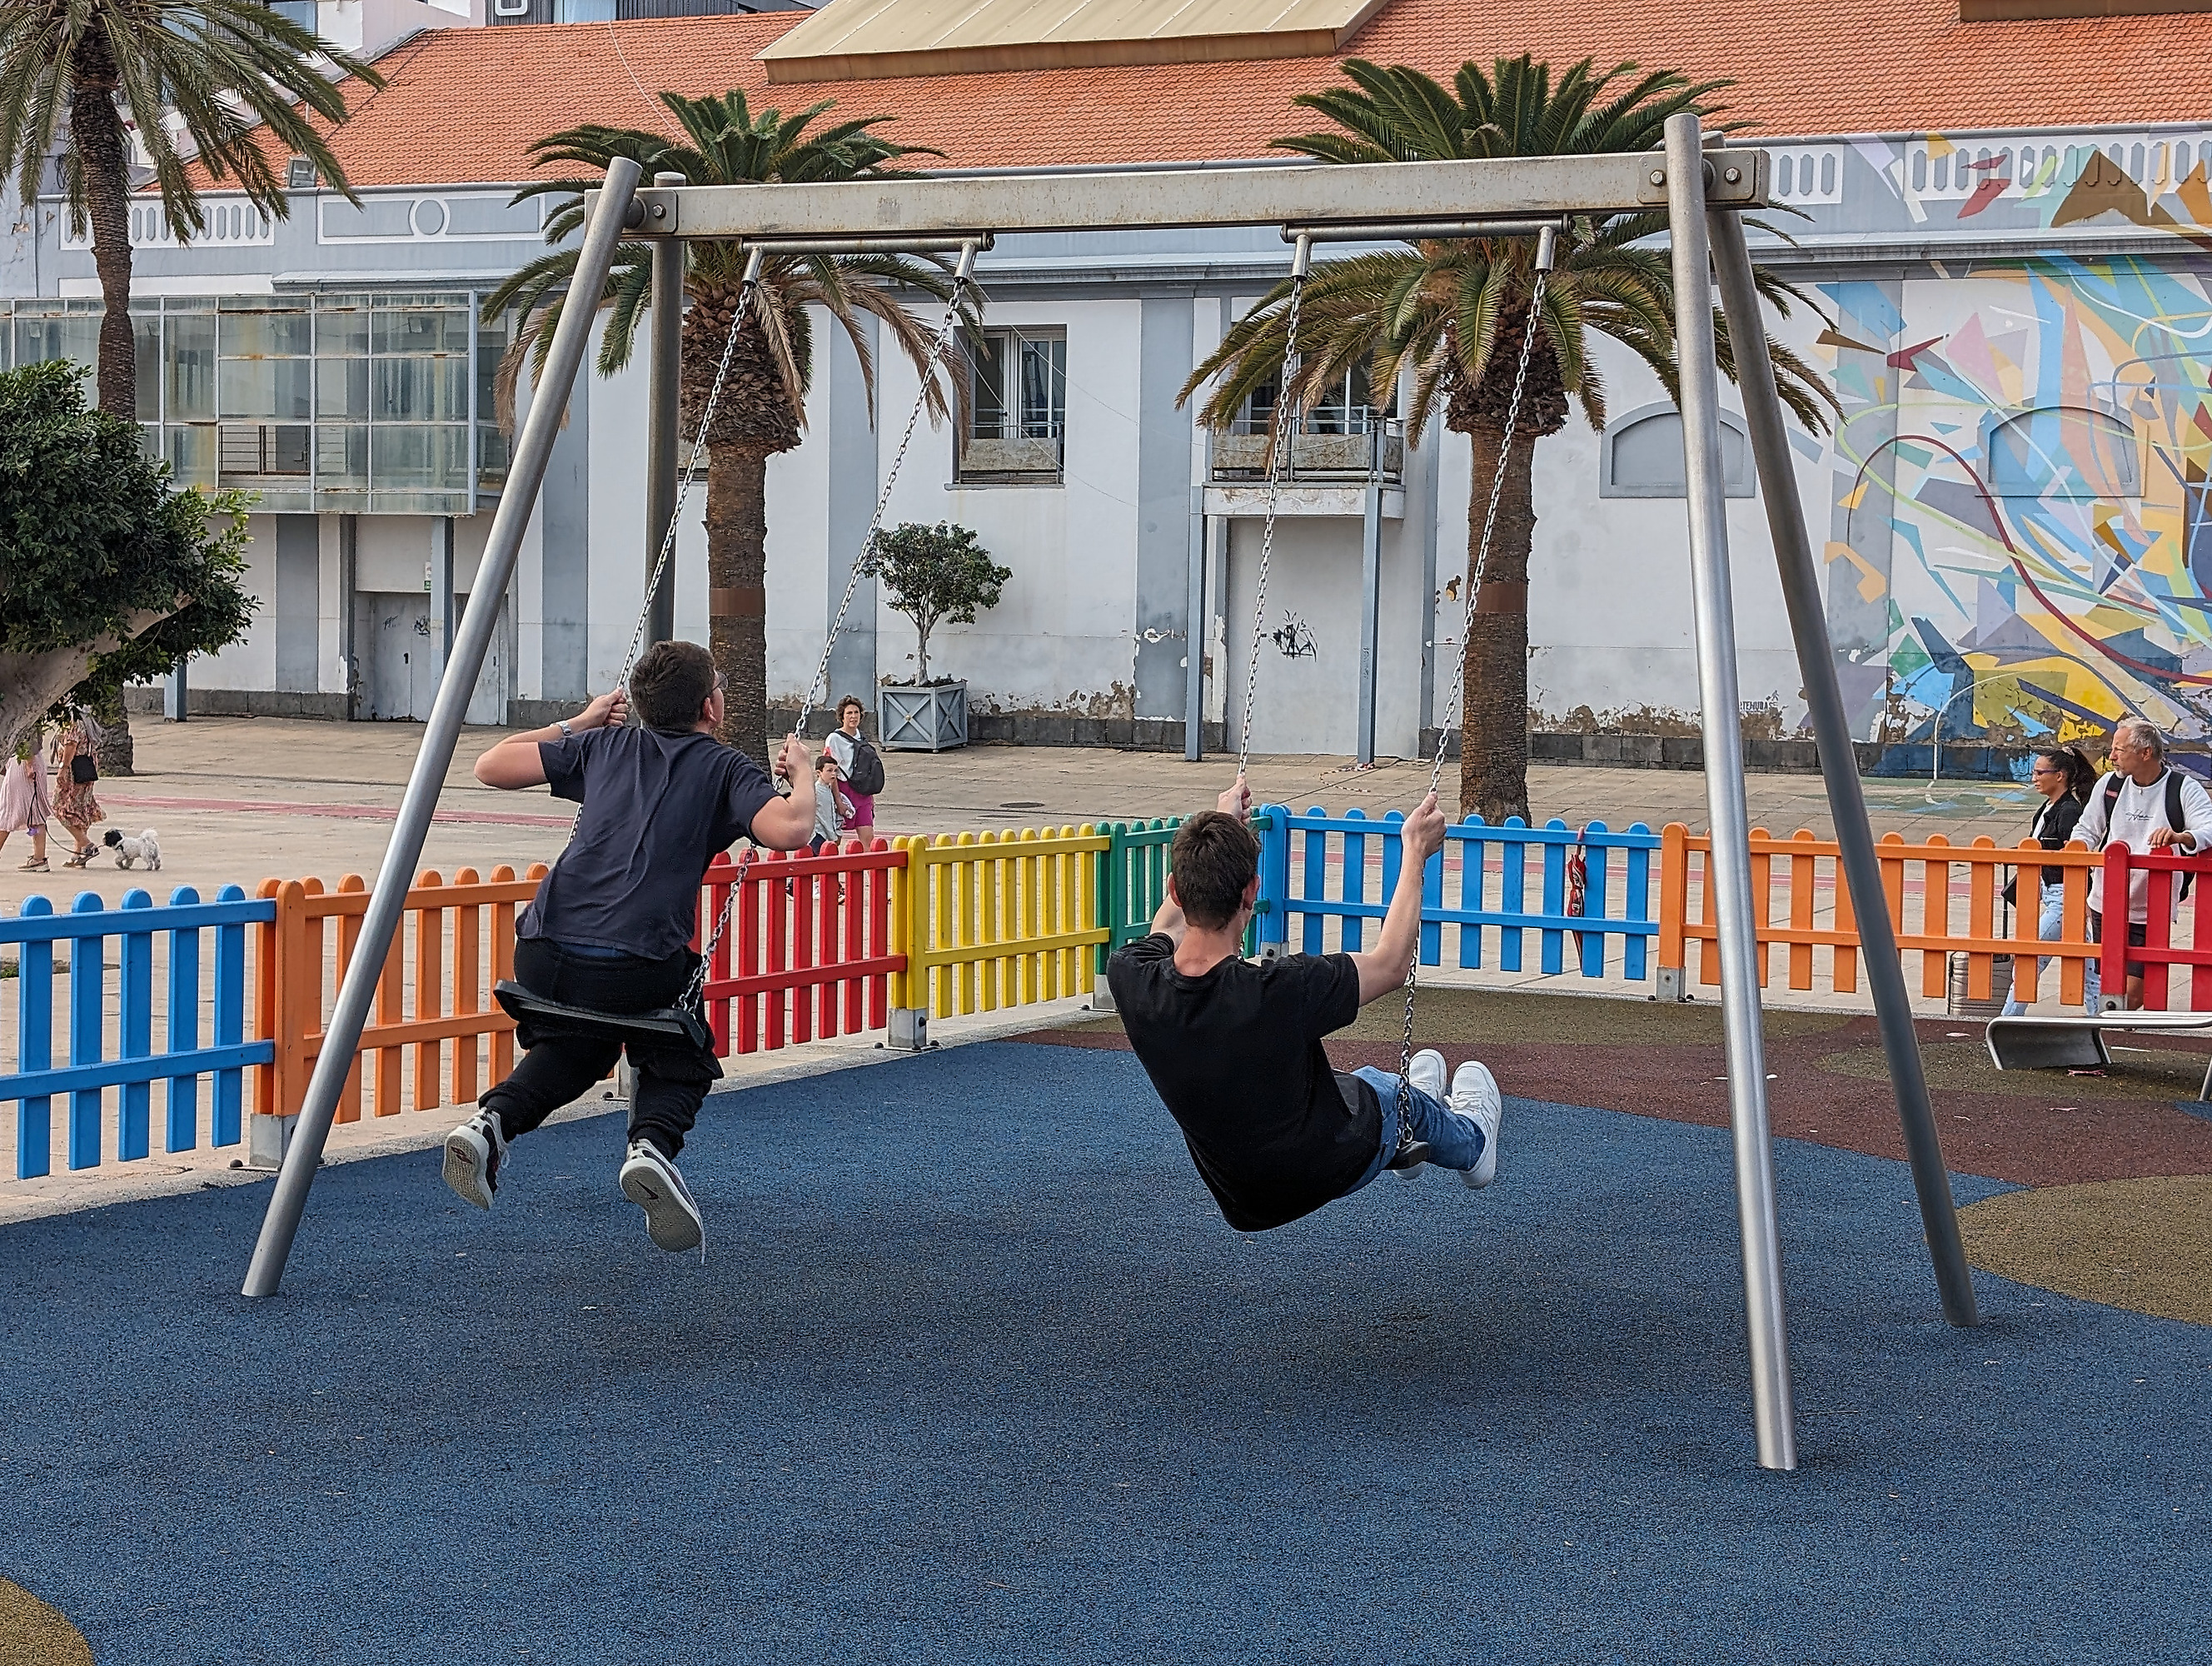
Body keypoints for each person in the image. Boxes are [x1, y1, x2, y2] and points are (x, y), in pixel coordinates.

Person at [443, 641, 816, 1252]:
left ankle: (490, 1125)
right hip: (637, 963)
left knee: (580, 1046)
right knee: (681, 1050)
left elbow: (491, 765)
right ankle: (651, 1148)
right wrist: (801, 776)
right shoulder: (724, 768)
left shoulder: (604, 747)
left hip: (542, 951)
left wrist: (580, 722)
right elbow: (792, 829)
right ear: (710, 707)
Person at [1105, 778, 1504, 1233]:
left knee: (1346, 1083)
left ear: (1175, 890)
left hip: (1244, 1199)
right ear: (1252, 892)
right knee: (1387, 1093)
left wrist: (1220, 824)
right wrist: (1415, 852)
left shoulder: (1131, 975)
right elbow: (1391, 965)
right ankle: (1474, 1145)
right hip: (1325, 1167)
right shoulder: (1278, 991)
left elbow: (1168, 927)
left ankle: (1417, 1113)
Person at [2075, 717, 2212, 1012]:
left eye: (2119, 749)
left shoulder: (2182, 788)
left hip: (2152, 908)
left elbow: (2209, 828)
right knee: (2110, 985)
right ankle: (2109, 1031)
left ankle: (2111, 1028)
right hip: (2105, 901)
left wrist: (2181, 836)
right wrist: (2075, 851)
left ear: (2145, 753)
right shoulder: (2109, 785)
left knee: (2133, 994)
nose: (2112, 756)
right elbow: (2087, 828)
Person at [2000, 744, 2097, 1017]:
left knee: (2030, 958)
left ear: (2060, 776)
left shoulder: (2069, 811)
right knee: (2088, 966)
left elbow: (2071, 854)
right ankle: (2101, 1018)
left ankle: (2008, 1019)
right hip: (2053, 893)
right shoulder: (2048, 807)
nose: (2035, 778)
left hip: (2064, 896)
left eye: (2040, 773)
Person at [822, 695, 880, 842]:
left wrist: (871, 796)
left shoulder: (861, 738)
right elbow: (831, 772)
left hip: (863, 793)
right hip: (843, 791)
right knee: (834, 838)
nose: (853, 716)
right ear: (842, 716)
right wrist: (838, 801)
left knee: (868, 836)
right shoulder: (834, 739)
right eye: (849, 713)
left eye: (856, 712)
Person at [52, 720, 105, 870]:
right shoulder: (85, 718)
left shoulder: (73, 720)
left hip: (74, 770)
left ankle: (87, 845)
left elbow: (71, 745)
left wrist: (63, 768)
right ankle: (78, 853)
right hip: (86, 766)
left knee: (60, 808)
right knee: (80, 809)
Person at [0, 731, 52, 872]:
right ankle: (39, 858)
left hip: (23, 763)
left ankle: (39, 859)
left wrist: (29, 765)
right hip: (26, 761)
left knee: (8, 811)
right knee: (35, 813)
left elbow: (28, 739)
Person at [810, 753, 852, 855]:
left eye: (835, 771)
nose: (833, 774)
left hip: (824, 835)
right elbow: (823, 817)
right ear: (819, 773)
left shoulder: (827, 789)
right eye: (829, 771)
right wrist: (833, 836)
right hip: (818, 835)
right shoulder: (817, 791)